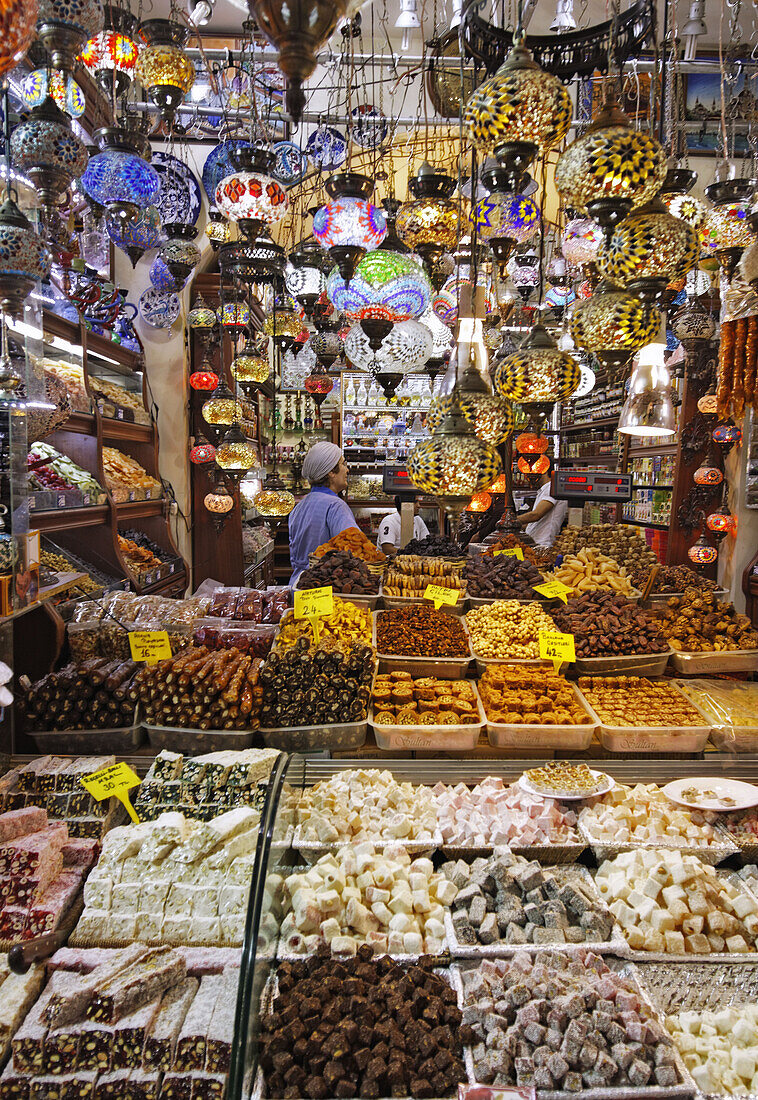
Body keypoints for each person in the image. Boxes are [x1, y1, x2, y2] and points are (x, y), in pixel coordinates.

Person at [288, 442, 358, 584]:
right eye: (343, 464)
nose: (347, 470)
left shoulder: (299, 507)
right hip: (323, 588)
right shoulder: (336, 506)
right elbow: (354, 550)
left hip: (298, 584)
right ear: (331, 472)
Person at [516, 464, 568, 548]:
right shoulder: (544, 490)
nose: (529, 475)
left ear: (544, 470)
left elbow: (536, 515)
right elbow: (536, 522)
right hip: (535, 543)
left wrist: (511, 520)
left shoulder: (551, 488)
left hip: (543, 545)